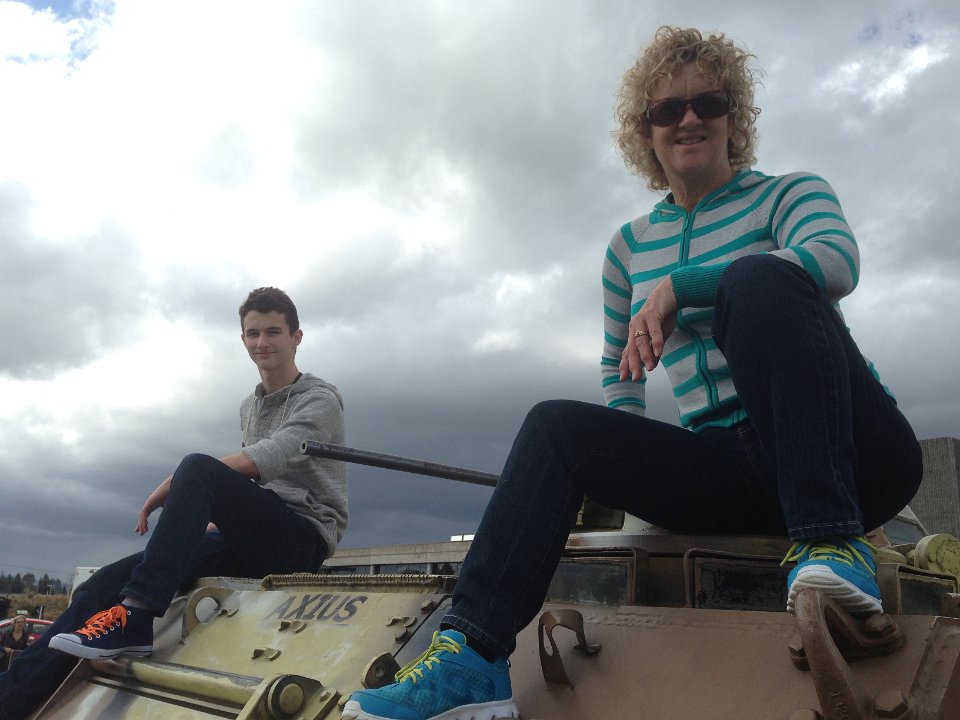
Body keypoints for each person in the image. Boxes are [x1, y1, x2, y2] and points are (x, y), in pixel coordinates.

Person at [341, 26, 923, 720]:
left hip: (852, 455)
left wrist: (685, 284)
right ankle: (472, 660)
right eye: (667, 109)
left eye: (708, 103)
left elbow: (835, 259)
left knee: (757, 281)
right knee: (553, 426)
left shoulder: (788, 194)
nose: (688, 119)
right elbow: (619, 370)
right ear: (644, 131)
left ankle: (831, 542)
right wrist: (625, 462)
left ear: (734, 118)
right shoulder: (627, 249)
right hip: (732, 470)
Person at [0, 287, 347, 720]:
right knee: (102, 584)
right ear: (242, 338)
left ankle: (137, 616)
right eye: (253, 333)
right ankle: (11, 699)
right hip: (253, 536)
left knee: (197, 466)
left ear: (296, 337)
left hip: (301, 538)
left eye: (273, 332)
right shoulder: (250, 406)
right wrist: (203, 517)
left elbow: (272, 456)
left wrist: (177, 482)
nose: (262, 342)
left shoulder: (320, 399)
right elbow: (250, 493)